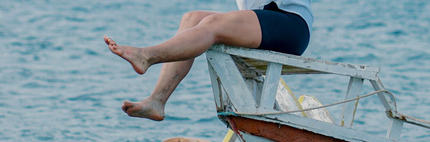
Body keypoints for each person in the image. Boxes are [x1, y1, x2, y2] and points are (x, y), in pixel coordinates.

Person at [104, 0, 313, 121]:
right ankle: (157, 101)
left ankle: (147, 56)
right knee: (192, 19)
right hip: (260, 20)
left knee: (212, 24)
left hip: (290, 25)